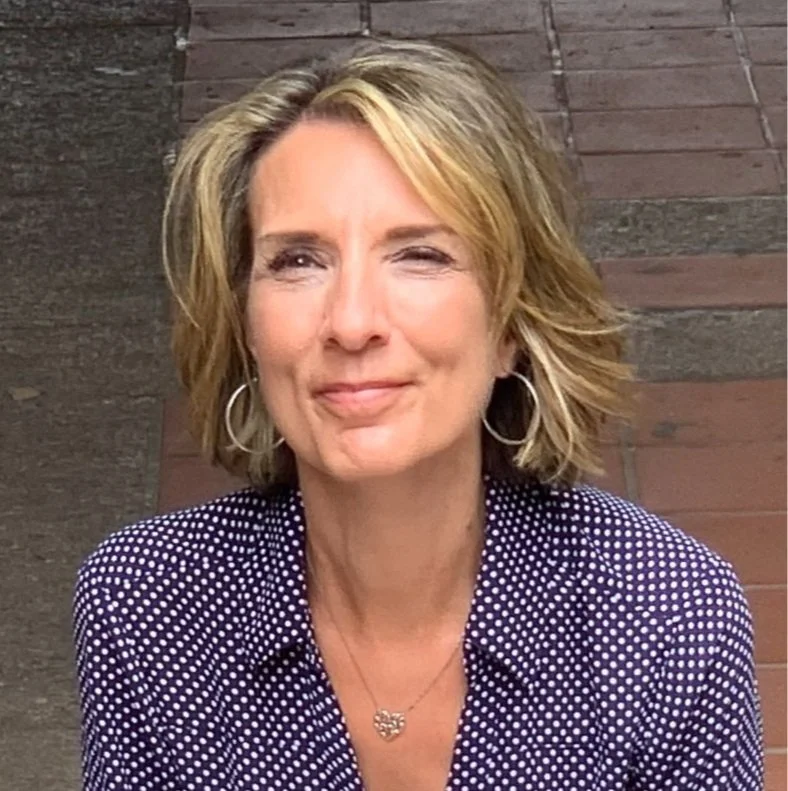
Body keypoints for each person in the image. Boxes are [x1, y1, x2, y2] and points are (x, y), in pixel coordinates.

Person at [73, 37, 763, 790]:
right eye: (298, 260)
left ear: (510, 323)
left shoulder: (661, 612)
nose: (351, 321)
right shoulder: (144, 604)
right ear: (243, 322)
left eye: (420, 255)